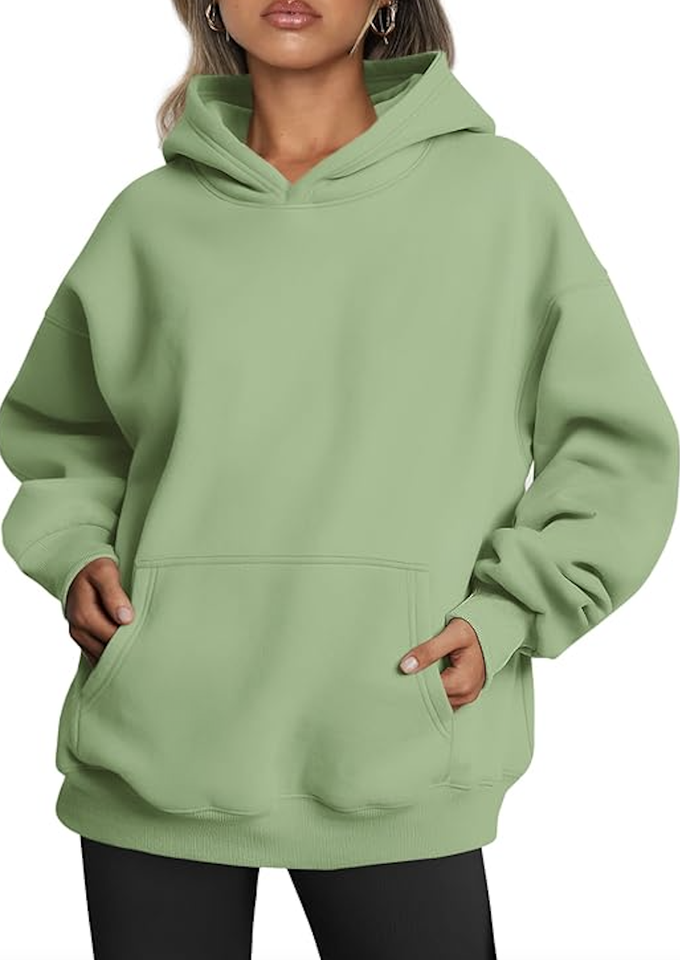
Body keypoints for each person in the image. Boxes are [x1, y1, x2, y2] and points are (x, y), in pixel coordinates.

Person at [0, 0, 677, 957]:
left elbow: (617, 451)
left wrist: (509, 613)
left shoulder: (502, 199)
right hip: (158, 744)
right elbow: (66, 432)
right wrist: (76, 556)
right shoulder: (147, 221)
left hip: (400, 735)